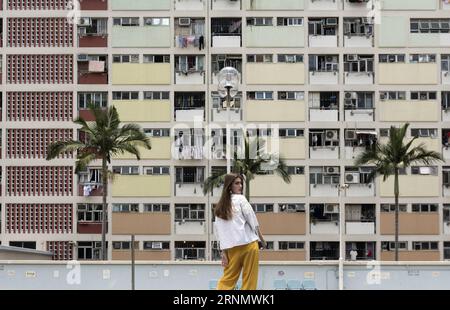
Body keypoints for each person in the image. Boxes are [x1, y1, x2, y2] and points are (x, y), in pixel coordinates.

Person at [214, 173, 266, 290]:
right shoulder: (241, 199)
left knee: (227, 280)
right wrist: (262, 240)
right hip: (249, 245)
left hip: (232, 249)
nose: (241, 186)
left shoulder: (219, 207)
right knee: (249, 281)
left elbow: (219, 233)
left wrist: (223, 253)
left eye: (241, 183)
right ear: (229, 186)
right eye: (237, 183)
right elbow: (253, 220)